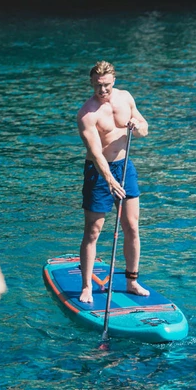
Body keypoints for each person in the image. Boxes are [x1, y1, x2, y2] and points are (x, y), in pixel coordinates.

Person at [77, 60, 149, 303]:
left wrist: (136, 126)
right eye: (98, 86)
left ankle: (132, 281)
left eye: (106, 85)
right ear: (91, 83)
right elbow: (96, 153)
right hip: (99, 172)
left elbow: (144, 128)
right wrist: (109, 179)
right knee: (93, 231)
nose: (102, 91)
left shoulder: (126, 98)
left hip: (125, 166)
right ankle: (86, 287)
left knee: (131, 226)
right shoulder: (87, 114)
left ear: (114, 81)